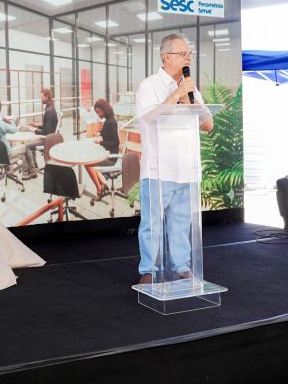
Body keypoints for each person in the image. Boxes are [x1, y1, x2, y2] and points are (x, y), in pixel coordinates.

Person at [135, 33, 213, 284]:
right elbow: (149, 117)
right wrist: (177, 94)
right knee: (152, 225)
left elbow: (208, 125)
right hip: (158, 169)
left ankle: (181, 267)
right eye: (183, 54)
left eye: (190, 54)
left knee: (181, 223)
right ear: (166, 56)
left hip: (186, 168)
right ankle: (149, 270)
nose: (188, 58)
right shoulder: (149, 85)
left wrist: (194, 103)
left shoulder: (191, 89)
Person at [0, 99, 37, 180]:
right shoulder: (0, 124)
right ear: (0, 110)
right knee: (26, 147)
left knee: (7, 143)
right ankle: (32, 172)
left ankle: (10, 170)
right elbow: (14, 130)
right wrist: (11, 121)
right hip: (5, 156)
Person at [85, 99, 120, 196]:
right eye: (96, 112)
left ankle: (99, 188)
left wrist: (100, 142)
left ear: (104, 110)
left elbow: (116, 142)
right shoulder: (108, 120)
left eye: (99, 112)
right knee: (88, 158)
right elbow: (107, 132)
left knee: (87, 164)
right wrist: (99, 133)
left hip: (111, 157)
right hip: (106, 153)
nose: (98, 114)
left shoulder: (111, 122)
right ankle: (102, 184)